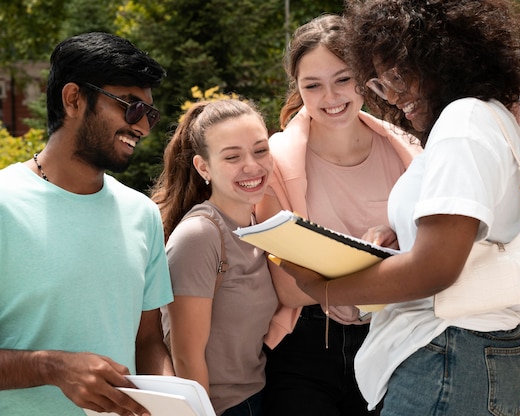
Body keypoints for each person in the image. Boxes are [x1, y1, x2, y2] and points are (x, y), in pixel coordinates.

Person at [271, 0, 520, 415]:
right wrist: (403, 236)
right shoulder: (486, 117)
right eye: (381, 82)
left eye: (399, 75)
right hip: (468, 352)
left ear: (440, 55)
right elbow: (454, 242)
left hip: (449, 353)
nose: (395, 96)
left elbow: (434, 269)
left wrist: (324, 289)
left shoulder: (460, 125)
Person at [255, 14, 421, 416]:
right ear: (297, 87)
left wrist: (400, 242)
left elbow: (432, 265)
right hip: (305, 347)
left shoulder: (408, 152)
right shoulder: (274, 162)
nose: (330, 97)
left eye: (343, 79)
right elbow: (291, 289)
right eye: (312, 85)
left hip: (394, 340)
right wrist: (384, 262)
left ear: (364, 78)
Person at [0, 32, 173, 416]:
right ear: (74, 98)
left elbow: (147, 341)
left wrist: (170, 405)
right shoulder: (4, 203)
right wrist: (51, 367)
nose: (143, 127)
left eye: (150, 113)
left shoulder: (141, 214)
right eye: (130, 106)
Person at [151, 99, 278, 416]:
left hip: (257, 394)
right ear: (203, 167)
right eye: (233, 157)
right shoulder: (200, 235)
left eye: (260, 150)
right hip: (219, 408)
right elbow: (186, 358)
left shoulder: (256, 223)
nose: (252, 165)